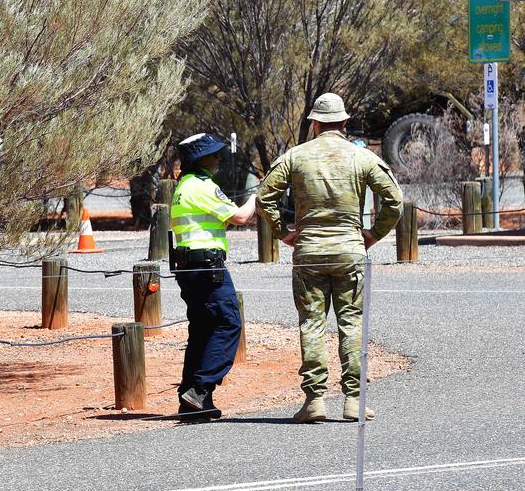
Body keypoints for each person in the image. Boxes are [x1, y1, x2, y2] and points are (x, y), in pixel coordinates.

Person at [256, 93, 403, 424]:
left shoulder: (295, 156)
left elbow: (265, 197)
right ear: (345, 122)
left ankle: (314, 400)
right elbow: (394, 199)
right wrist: (372, 234)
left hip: (308, 251)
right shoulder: (361, 157)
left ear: (315, 123)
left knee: (312, 323)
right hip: (350, 250)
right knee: (350, 322)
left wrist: (283, 232)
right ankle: (353, 400)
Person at [171, 133, 257, 420]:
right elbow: (241, 217)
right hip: (207, 266)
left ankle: (191, 399)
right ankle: (200, 388)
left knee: (202, 330)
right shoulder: (202, 186)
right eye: (213, 154)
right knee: (228, 322)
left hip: (189, 266)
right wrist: (259, 195)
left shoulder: (184, 185)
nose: (219, 157)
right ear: (199, 159)